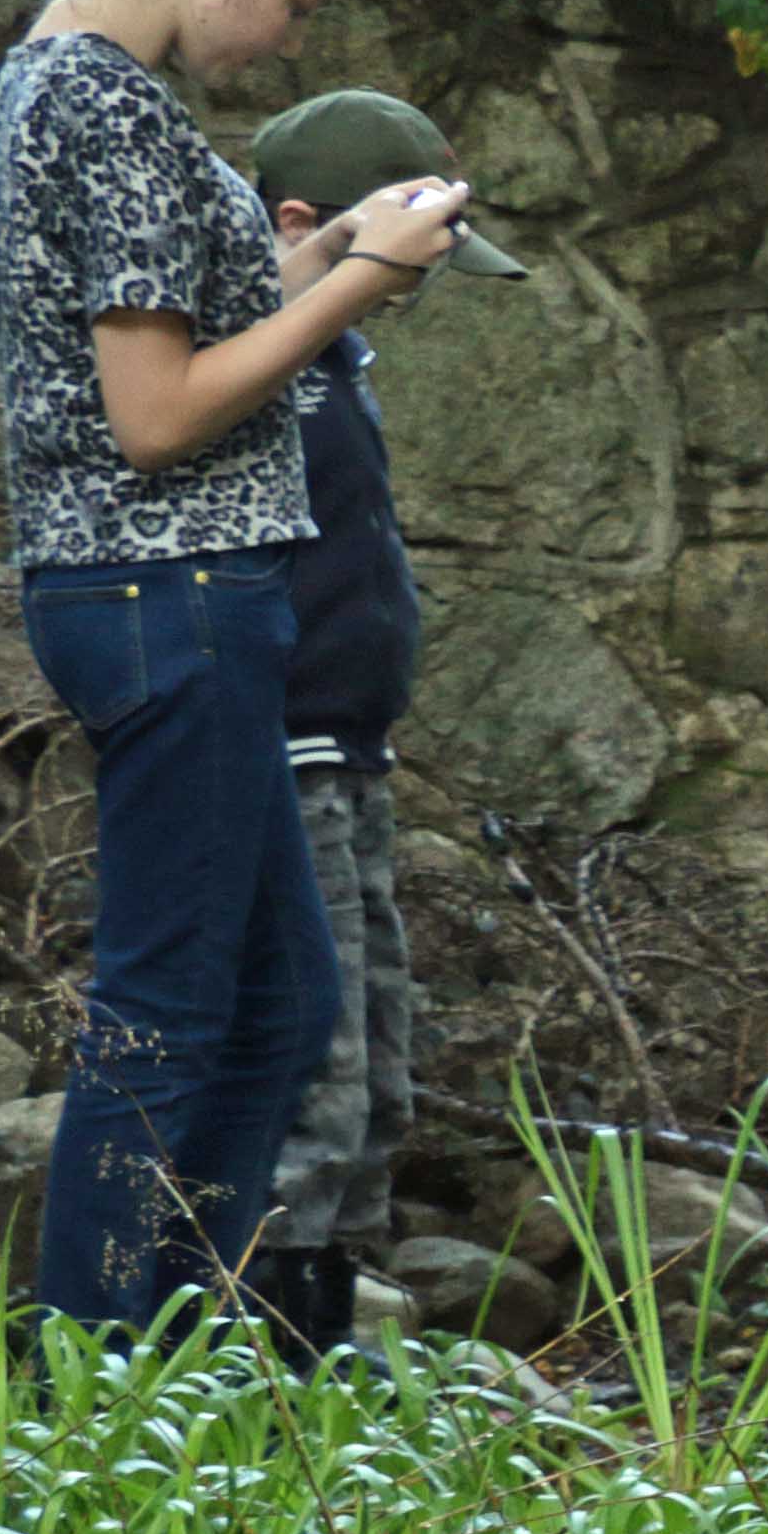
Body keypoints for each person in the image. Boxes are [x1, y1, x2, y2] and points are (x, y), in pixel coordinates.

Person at [0, 0, 468, 1336]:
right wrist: (357, 289)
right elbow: (158, 413)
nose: (291, 42)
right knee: (173, 1008)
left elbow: (175, 322)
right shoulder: (108, 111)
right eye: (300, 4)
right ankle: (91, 1365)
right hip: (161, 593)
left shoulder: (73, 80)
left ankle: (192, 1344)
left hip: (189, 596)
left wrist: (321, 251)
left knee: (283, 1001)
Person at [244, 87, 527, 1362]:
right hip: (283, 747)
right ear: (306, 225)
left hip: (354, 753)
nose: (411, 289)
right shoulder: (254, 358)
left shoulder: (338, 360)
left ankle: (343, 1297)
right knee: (319, 1051)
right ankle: (279, 1334)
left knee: (383, 1058)